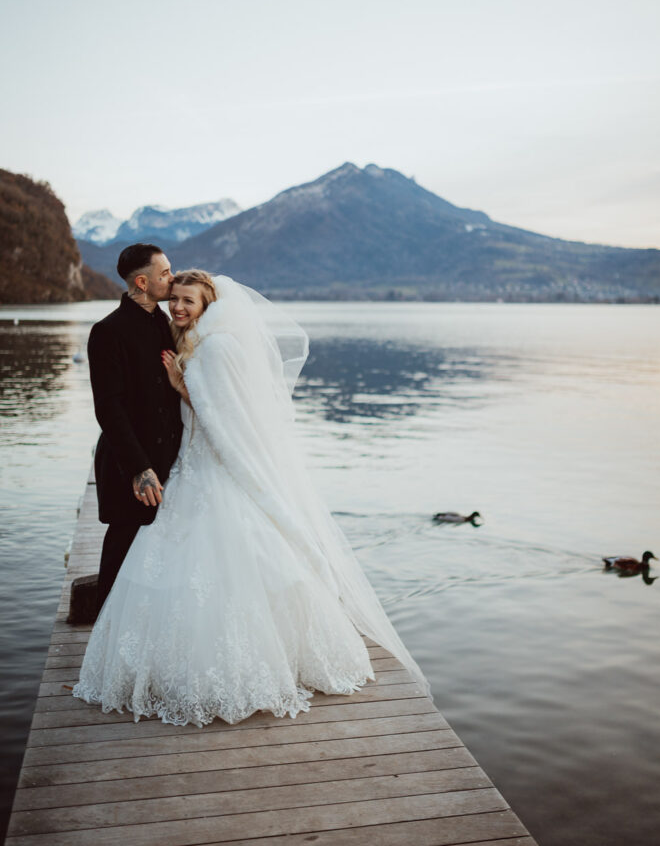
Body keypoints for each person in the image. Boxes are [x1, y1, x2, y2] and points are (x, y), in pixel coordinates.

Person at [74, 271, 430, 727]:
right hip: (188, 469)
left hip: (213, 470)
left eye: (189, 301)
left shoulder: (217, 347)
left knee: (232, 565)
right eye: (175, 299)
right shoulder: (193, 342)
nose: (178, 307)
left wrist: (183, 386)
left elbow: (226, 421)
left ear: (208, 306)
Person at [87, 243, 182, 614]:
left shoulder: (166, 321)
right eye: (164, 274)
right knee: (122, 548)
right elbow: (108, 407)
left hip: (171, 456)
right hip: (131, 461)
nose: (171, 279)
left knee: (159, 551)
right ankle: (102, 640)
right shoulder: (108, 331)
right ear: (142, 283)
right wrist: (139, 468)